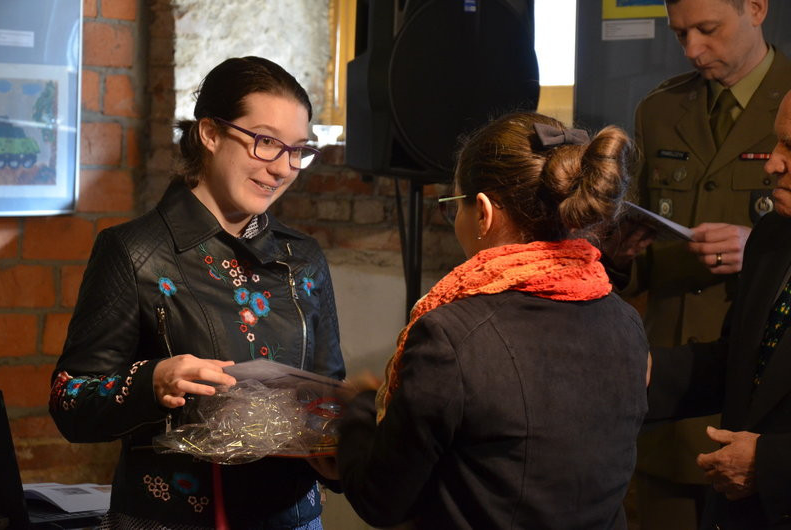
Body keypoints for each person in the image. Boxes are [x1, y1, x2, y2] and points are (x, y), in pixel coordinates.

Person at [48, 56, 345, 529]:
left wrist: (347, 443)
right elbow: (71, 400)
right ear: (209, 133)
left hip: (292, 519)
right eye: (266, 142)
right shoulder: (134, 252)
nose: (282, 168)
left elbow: (328, 398)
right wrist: (153, 382)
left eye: (298, 150)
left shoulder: (302, 259)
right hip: (171, 517)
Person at [335, 112, 649, 529]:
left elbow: (382, 500)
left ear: (482, 212)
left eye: (454, 206)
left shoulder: (450, 338)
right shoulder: (625, 321)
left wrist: (357, 409)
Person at [607, 0, 791, 527]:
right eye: (680, 33)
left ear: (755, 9)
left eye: (708, 30)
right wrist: (619, 258)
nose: (692, 50)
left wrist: (754, 243)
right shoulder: (661, 109)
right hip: (681, 384)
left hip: (764, 406)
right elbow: (641, 256)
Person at [646, 88, 791, 529]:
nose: (772, 162)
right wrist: (643, 372)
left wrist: (769, 465)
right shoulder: (773, 237)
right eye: (778, 141)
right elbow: (741, 362)